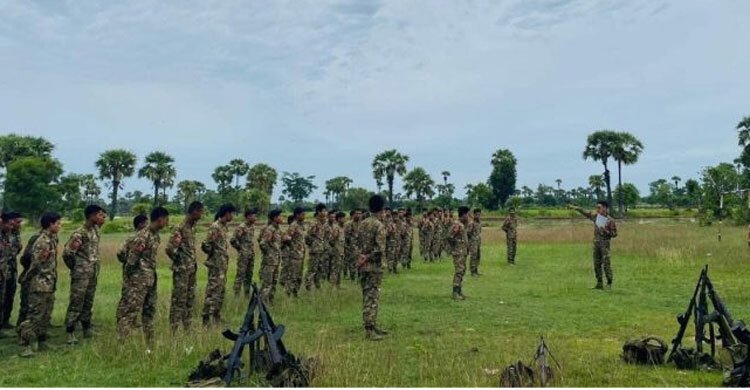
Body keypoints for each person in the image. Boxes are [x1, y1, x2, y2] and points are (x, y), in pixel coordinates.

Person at [115, 207, 169, 342]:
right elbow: (131, 260)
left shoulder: (155, 235)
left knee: (149, 310)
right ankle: (122, 342)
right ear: (160, 219)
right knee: (130, 311)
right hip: (137, 280)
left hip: (150, 279)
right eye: (166, 220)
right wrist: (129, 281)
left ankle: (149, 340)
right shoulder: (142, 236)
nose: (167, 223)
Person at [17, 212, 62, 358]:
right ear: (50, 224)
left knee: (45, 316)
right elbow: (35, 264)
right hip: (39, 284)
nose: (59, 226)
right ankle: (25, 345)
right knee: (35, 316)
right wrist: (27, 280)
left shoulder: (52, 240)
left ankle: (42, 342)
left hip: (49, 284)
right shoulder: (42, 242)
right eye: (57, 223)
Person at [63, 204, 106, 345]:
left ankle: (87, 327)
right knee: (77, 301)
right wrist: (76, 267)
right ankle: (70, 331)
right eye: (100, 215)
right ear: (92, 216)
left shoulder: (96, 230)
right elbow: (67, 253)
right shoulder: (79, 233)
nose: (102, 217)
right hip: (81, 274)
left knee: (88, 300)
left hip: (92, 272)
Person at [165, 201, 204, 332]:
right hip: (182, 271)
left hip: (192, 269)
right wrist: (179, 261)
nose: (202, 214)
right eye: (200, 212)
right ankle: (173, 330)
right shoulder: (180, 227)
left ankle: (187, 327)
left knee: (190, 299)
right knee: (179, 300)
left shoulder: (192, 227)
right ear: (194, 211)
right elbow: (169, 248)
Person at [357, 195, 388, 340]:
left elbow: (356, 243)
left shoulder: (362, 223)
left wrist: (361, 257)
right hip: (373, 266)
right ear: (381, 208)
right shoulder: (379, 225)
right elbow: (379, 249)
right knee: (372, 297)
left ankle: (372, 325)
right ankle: (369, 329)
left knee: (367, 295)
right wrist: (368, 257)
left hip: (363, 266)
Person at [569, 201, 618, 290]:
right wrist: (575, 208)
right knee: (596, 264)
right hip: (596, 244)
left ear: (605, 208)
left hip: (605, 245)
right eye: (597, 208)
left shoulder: (610, 220)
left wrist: (606, 231)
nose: (597, 209)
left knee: (606, 264)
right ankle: (599, 284)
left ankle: (609, 283)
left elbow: (614, 234)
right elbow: (585, 212)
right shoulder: (596, 216)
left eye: (599, 207)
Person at [201, 204, 235, 326]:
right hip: (216, 265)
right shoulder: (215, 227)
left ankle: (216, 316)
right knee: (212, 291)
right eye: (231, 213)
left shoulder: (223, 227)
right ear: (226, 213)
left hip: (222, 265)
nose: (232, 216)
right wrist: (214, 256)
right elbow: (206, 244)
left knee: (220, 291)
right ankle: (206, 319)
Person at [116, 214, 148, 324]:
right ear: (140, 225)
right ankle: (122, 319)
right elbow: (120, 253)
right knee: (128, 297)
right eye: (145, 223)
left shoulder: (143, 238)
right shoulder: (133, 239)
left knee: (137, 298)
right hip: (132, 273)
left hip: (141, 274)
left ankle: (132, 320)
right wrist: (128, 263)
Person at [0, 211, 23, 330]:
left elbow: (16, 250)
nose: (13, 225)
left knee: (9, 296)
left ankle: (5, 321)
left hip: (10, 270)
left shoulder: (13, 234)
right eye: (15, 222)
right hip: (2, 271)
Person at [258, 209, 285, 303]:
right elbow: (262, 243)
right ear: (275, 218)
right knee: (267, 284)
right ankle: (262, 303)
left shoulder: (277, 229)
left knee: (274, 282)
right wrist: (269, 254)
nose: (282, 218)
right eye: (280, 216)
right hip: (270, 261)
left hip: (276, 260)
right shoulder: (270, 229)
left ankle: (270, 301)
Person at [230, 208, 257, 297]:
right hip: (243, 256)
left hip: (250, 255)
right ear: (248, 216)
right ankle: (236, 295)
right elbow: (233, 240)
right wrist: (240, 249)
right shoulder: (241, 227)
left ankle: (246, 294)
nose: (255, 217)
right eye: (254, 216)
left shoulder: (252, 226)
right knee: (240, 275)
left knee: (249, 275)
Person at [304, 204, 328, 290]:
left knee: (320, 269)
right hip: (315, 250)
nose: (325, 213)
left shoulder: (323, 223)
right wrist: (313, 244)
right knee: (312, 269)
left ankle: (318, 286)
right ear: (319, 212)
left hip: (321, 250)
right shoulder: (314, 223)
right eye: (324, 211)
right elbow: (307, 236)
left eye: (326, 211)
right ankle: (308, 286)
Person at [449, 207, 470, 300]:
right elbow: (449, 237)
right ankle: (455, 292)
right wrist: (456, 247)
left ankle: (459, 290)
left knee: (462, 270)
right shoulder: (457, 224)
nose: (468, 217)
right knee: (459, 271)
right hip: (459, 252)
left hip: (462, 252)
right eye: (467, 214)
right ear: (464, 214)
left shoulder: (462, 224)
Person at [285, 207, 306, 297]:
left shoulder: (302, 225)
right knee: (292, 275)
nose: (304, 216)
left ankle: (295, 293)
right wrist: (293, 248)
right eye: (302, 214)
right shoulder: (293, 225)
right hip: (294, 255)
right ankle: (288, 294)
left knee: (299, 276)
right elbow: (287, 238)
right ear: (297, 215)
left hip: (301, 254)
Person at [343, 209, 362, 281]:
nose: (358, 215)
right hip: (350, 247)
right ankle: (352, 278)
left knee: (360, 262)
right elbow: (345, 236)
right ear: (353, 215)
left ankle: (360, 277)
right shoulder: (348, 224)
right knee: (352, 263)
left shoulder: (362, 224)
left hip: (360, 246)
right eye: (357, 213)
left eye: (360, 214)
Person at [468, 208, 482, 275]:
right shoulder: (472, 223)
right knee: (473, 256)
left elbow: (479, 231)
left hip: (478, 242)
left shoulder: (479, 223)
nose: (478, 216)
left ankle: (476, 270)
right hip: (473, 242)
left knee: (478, 256)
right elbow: (468, 233)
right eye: (476, 215)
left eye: (479, 215)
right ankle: (472, 271)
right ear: (474, 215)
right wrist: (471, 240)